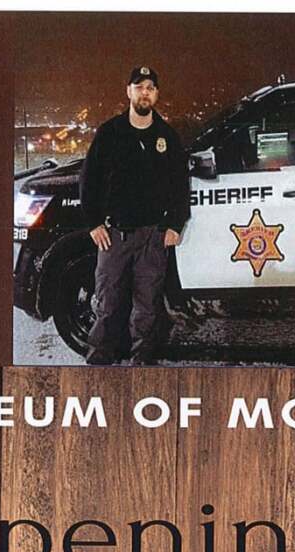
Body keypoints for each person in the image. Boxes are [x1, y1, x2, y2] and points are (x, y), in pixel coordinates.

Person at [80, 64, 190, 365]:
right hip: (115, 235)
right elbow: (88, 181)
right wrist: (93, 223)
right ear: (128, 91)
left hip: (153, 237)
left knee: (147, 307)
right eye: (139, 86)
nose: (145, 92)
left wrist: (174, 225)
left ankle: (141, 364)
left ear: (157, 95)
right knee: (107, 304)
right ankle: (100, 361)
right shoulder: (110, 133)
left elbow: (181, 185)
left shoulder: (166, 136)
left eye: (150, 88)